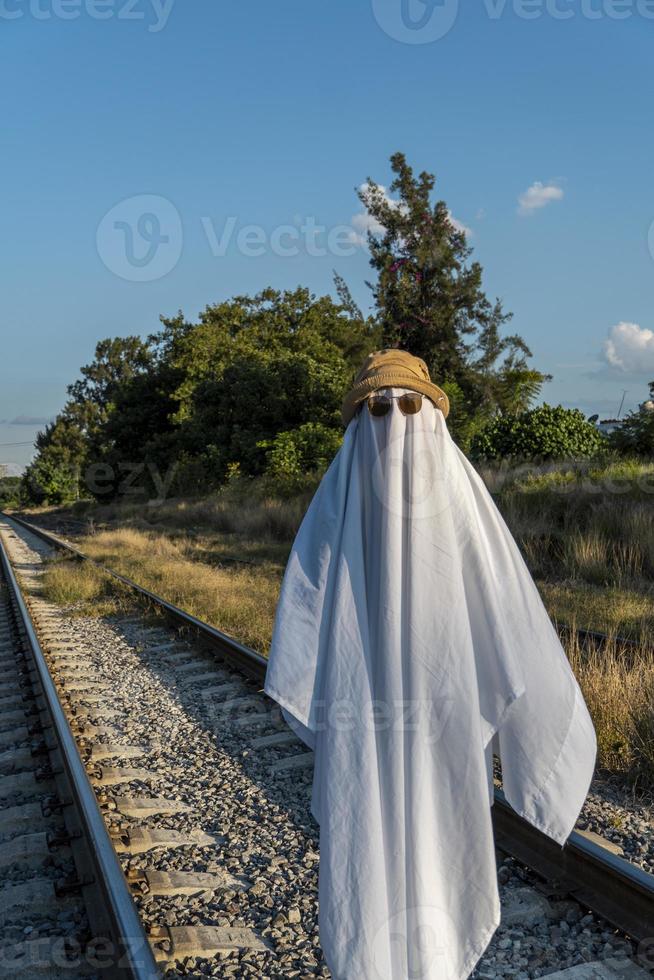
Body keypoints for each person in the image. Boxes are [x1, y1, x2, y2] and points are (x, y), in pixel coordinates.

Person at [264, 349, 597, 980]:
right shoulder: (339, 500)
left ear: (432, 414)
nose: (395, 422)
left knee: (437, 843)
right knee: (366, 841)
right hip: (362, 718)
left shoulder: (456, 501)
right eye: (379, 410)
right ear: (360, 421)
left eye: (409, 407)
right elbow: (307, 612)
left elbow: (509, 617)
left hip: (444, 718)